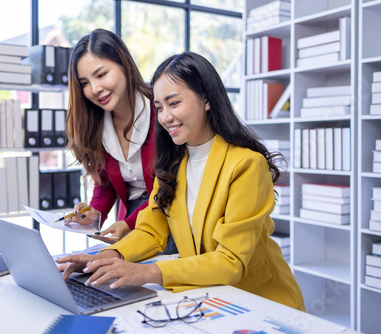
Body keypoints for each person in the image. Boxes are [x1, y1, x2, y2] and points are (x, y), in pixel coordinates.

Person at [57, 51, 305, 311]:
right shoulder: (172, 164)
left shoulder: (245, 165)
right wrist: (103, 258)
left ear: (206, 99)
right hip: (210, 298)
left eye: (174, 104)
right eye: (159, 108)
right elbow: (151, 230)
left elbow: (230, 261)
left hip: (261, 302)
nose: (164, 118)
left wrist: (149, 272)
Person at [64, 29, 176, 252]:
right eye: (84, 82)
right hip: (131, 218)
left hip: (172, 213)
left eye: (101, 74)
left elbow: (173, 184)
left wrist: (130, 223)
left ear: (124, 63)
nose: (95, 89)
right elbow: (105, 185)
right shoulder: (95, 123)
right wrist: (95, 212)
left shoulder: (161, 111)